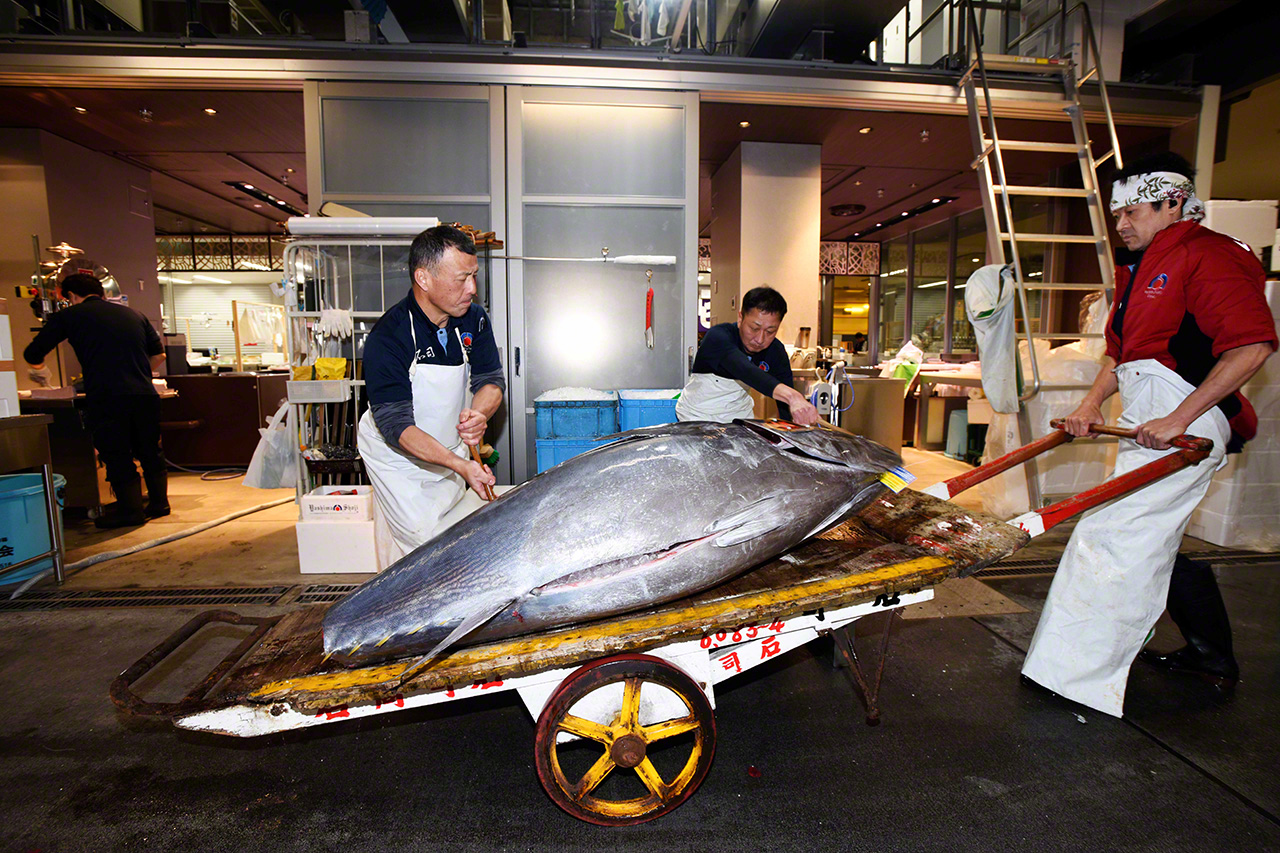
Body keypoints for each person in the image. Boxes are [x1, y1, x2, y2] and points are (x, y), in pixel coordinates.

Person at [1020, 152, 1276, 716]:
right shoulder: (1136, 266)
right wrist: (1089, 406)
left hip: (1189, 424)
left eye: (1133, 211)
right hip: (1149, 419)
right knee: (1147, 536)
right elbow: (1121, 353)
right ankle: (1211, 655)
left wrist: (1180, 417)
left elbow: (1252, 345)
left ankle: (1079, 678)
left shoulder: (1211, 256)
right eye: (1118, 214)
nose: (1122, 224)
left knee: (1111, 534)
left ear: (1173, 203)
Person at [360, 225, 505, 568]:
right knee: (427, 548)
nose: (472, 288)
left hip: (449, 446)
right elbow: (395, 425)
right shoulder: (389, 337)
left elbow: (491, 381)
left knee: (462, 530)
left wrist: (479, 414)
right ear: (423, 278)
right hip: (399, 460)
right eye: (461, 279)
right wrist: (460, 465)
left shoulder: (474, 319)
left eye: (474, 276)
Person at [24, 273, 168, 528]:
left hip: (108, 396)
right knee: (149, 450)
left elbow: (33, 352)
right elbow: (159, 355)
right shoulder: (134, 314)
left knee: (117, 452)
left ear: (69, 296)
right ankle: (159, 504)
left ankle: (130, 512)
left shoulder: (69, 316)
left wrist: (39, 370)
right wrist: (135, 372)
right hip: (145, 395)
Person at [675, 286, 820, 425]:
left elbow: (785, 407)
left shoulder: (775, 351)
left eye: (770, 331)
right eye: (754, 328)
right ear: (740, 318)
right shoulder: (719, 337)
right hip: (696, 415)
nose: (760, 339)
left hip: (739, 417)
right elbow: (745, 370)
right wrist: (793, 396)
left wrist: (794, 428)